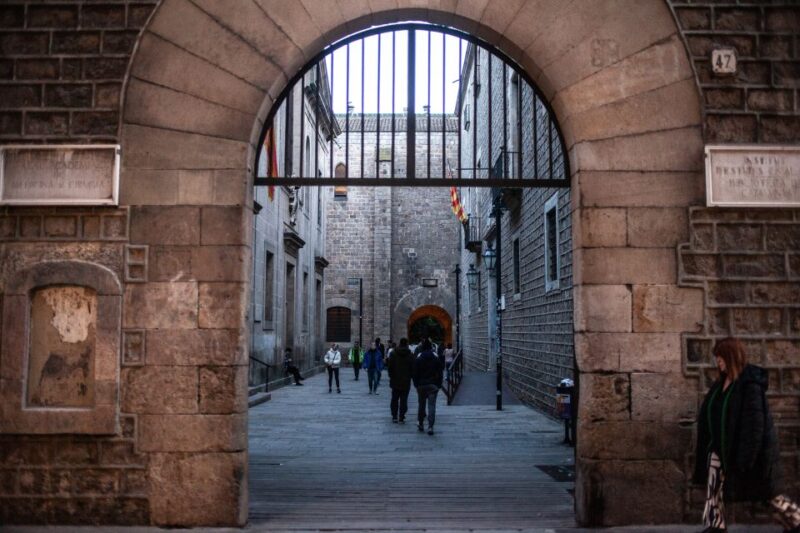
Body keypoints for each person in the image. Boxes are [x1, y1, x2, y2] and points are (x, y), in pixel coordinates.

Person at [692, 337, 799, 533]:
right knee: (713, 487)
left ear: (731, 357)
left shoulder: (749, 385)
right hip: (719, 448)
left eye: (721, 357)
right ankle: (715, 525)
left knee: (769, 495)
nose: (718, 362)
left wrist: (745, 458)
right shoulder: (721, 384)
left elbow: (754, 425)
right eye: (717, 358)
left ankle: (796, 520)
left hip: (749, 453)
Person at [412, 339, 444, 436]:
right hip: (432, 385)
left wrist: (416, 384)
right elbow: (440, 372)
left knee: (421, 405)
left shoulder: (419, 358)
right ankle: (430, 426)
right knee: (431, 406)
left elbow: (415, 373)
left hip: (421, 385)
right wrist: (438, 384)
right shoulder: (435, 358)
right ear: (431, 347)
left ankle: (421, 423)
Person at [387, 338, 413, 424]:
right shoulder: (410, 354)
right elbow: (412, 368)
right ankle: (401, 416)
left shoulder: (393, 353)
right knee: (404, 399)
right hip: (406, 381)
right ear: (406, 344)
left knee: (394, 398)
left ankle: (394, 416)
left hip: (395, 380)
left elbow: (390, 367)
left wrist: (391, 376)